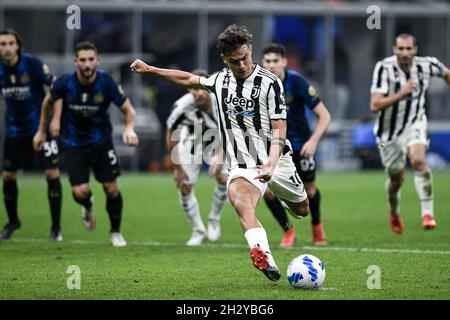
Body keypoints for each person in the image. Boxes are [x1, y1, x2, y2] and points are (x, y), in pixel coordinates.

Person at [131, 24, 310, 282]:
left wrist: (271, 163)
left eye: (245, 57)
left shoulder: (270, 83)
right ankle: (264, 256)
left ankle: (283, 200)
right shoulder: (219, 80)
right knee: (241, 203)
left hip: (276, 159)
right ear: (224, 59)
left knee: (302, 210)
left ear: (250, 50)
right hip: (241, 163)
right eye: (235, 61)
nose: (242, 65)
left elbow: (279, 127)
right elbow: (187, 79)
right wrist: (150, 69)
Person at [33, 41, 139, 247]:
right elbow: (47, 102)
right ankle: (88, 204)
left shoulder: (106, 82)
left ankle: (116, 231)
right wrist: (41, 130)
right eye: (83, 60)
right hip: (74, 144)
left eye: (91, 59)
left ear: (97, 61)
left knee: (111, 188)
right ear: (76, 62)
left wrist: (129, 129)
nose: (88, 64)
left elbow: (129, 110)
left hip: (101, 142)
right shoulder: (65, 83)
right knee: (80, 192)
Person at [370, 33, 450, 234]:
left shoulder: (427, 65)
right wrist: (402, 93)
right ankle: (394, 211)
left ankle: (427, 214)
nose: (405, 53)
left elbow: (446, 73)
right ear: (394, 50)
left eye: (409, 48)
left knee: (418, 160)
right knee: (396, 179)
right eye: (401, 49)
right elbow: (374, 104)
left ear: (416, 50)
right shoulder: (383, 68)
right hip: (387, 134)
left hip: (415, 122)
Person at [262, 43, 331, 247]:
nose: (272, 65)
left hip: (301, 145)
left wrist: (313, 141)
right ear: (263, 63)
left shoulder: (297, 82)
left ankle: (317, 226)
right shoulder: (260, 85)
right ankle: (288, 231)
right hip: (276, 148)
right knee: (268, 190)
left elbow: (324, 116)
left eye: (276, 61)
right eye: (268, 61)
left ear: (284, 62)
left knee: (309, 191)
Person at [0, 29, 63, 241]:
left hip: (40, 130)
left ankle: (56, 228)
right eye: (2, 44)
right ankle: (13, 221)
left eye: (10, 43)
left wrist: (55, 120)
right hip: (14, 131)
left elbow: (57, 88)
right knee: (8, 176)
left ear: (17, 46)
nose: (7, 48)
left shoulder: (32, 64)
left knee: (52, 174)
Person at [166, 69, 228, 246]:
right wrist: (177, 169)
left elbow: (232, 132)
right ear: (188, 90)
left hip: (220, 140)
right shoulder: (181, 107)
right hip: (192, 140)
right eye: (194, 89)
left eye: (201, 88)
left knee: (223, 178)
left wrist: (219, 158)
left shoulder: (222, 100)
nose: (198, 93)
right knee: (184, 186)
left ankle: (214, 219)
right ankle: (199, 230)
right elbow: (171, 134)